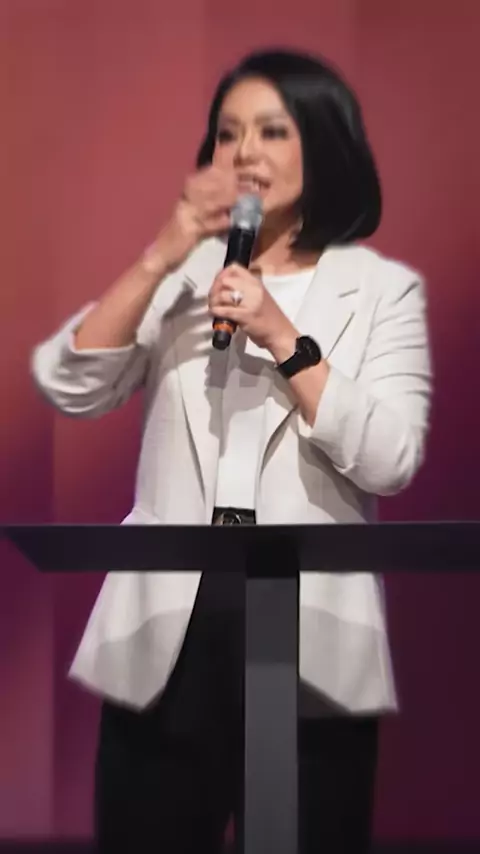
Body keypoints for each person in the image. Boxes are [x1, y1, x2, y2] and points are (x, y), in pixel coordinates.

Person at [31, 48, 432, 854]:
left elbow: (391, 458)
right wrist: (162, 253)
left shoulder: (381, 290)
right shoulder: (183, 282)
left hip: (310, 632)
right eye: (227, 133)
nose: (244, 151)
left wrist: (284, 336)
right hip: (167, 629)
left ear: (324, 145)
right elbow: (68, 384)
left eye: (272, 131)